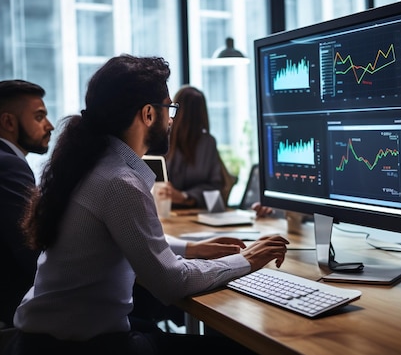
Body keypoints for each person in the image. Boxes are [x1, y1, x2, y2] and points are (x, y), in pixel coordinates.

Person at [6, 54, 289, 355]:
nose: (172, 119)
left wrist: (191, 248)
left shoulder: (91, 165)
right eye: (170, 108)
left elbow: (120, 236)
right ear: (148, 115)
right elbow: (171, 283)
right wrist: (248, 260)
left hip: (44, 342)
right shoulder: (119, 182)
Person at [164, 85, 273, 216]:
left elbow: (215, 187)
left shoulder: (207, 143)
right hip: (165, 212)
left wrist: (185, 196)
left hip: (199, 213)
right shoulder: (162, 141)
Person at [0, 80, 54, 328]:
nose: (50, 125)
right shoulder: (9, 165)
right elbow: (28, 246)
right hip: (16, 305)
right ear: (9, 122)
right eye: (39, 116)